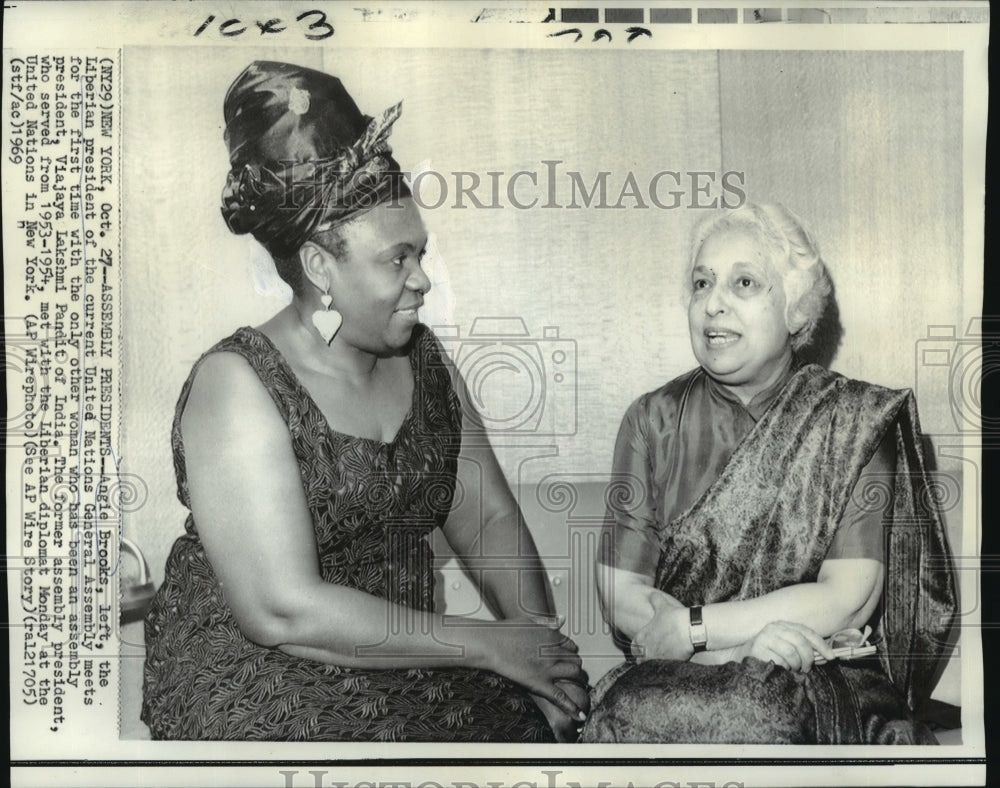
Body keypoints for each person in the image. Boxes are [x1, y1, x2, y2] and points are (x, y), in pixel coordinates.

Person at [141, 61, 588, 742]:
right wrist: (491, 646)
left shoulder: (425, 361)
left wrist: (540, 645)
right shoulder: (236, 385)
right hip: (260, 669)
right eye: (397, 260)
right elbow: (282, 611)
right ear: (321, 268)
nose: (422, 281)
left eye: (421, 255)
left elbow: (489, 517)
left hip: (414, 653)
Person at [584, 202, 956, 744]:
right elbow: (622, 592)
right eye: (702, 283)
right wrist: (728, 652)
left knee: (761, 706)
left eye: (744, 284)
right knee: (628, 712)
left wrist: (697, 627)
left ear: (796, 311)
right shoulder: (652, 419)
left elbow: (847, 595)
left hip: (815, 667)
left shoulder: (849, 421)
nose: (713, 304)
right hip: (686, 673)